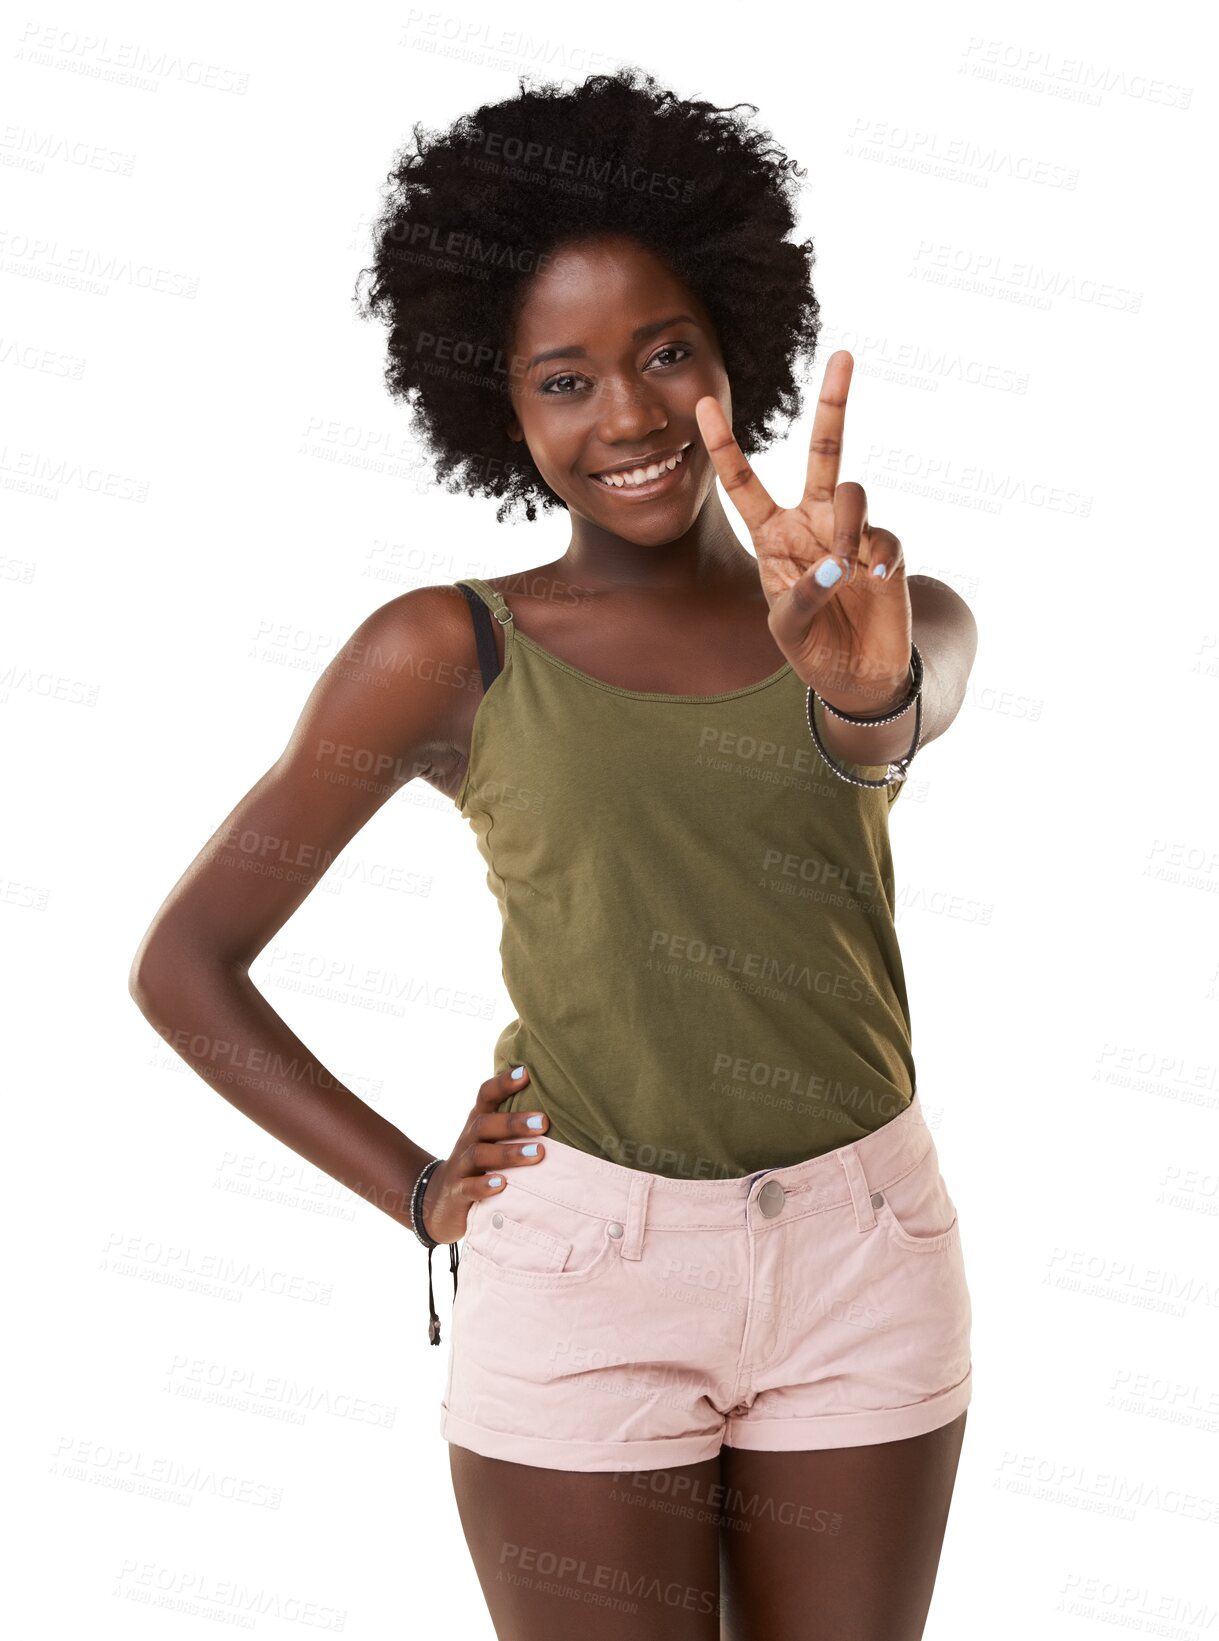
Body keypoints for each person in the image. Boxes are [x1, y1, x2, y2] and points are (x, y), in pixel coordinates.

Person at [130, 65, 979, 1641]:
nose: (633, 415)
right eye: (565, 379)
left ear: (739, 352)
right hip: (589, 1266)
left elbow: (896, 706)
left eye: (666, 355)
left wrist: (866, 698)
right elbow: (187, 966)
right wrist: (413, 1189)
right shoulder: (444, 652)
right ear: (498, 408)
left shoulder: (875, 621)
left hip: (866, 1254)